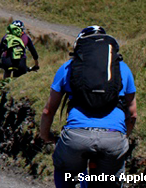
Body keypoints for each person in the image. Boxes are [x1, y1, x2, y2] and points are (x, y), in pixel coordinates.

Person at [39, 25, 138, 188]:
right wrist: (121, 136)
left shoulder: (67, 68)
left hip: (76, 137)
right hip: (113, 139)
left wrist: (46, 136)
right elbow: (132, 115)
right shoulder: (123, 69)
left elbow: (48, 111)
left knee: (64, 171)